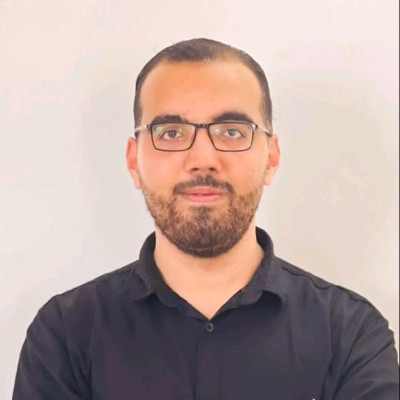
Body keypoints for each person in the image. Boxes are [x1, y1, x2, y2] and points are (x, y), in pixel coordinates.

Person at [13, 38, 399, 400]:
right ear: (134, 161)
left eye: (232, 131)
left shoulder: (351, 334)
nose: (202, 159)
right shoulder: (65, 334)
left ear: (271, 158)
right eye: (171, 132)